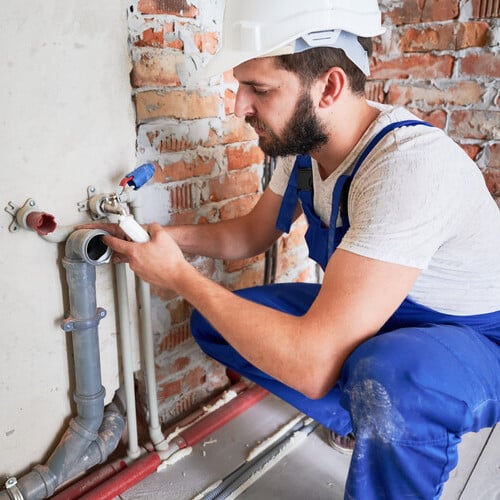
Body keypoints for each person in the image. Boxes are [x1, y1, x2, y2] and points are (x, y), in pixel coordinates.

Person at [98, 1, 500, 498]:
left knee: (392, 380)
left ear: (329, 87)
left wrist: (179, 276)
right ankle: (365, 415)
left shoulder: (407, 167)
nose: (239, 106)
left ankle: (385, 422)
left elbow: (310, 367)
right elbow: (250, 235)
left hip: (467, 335)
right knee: (218, 322)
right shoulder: (306, 150)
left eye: (259, 90)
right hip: (379, 313)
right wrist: (160, 239)